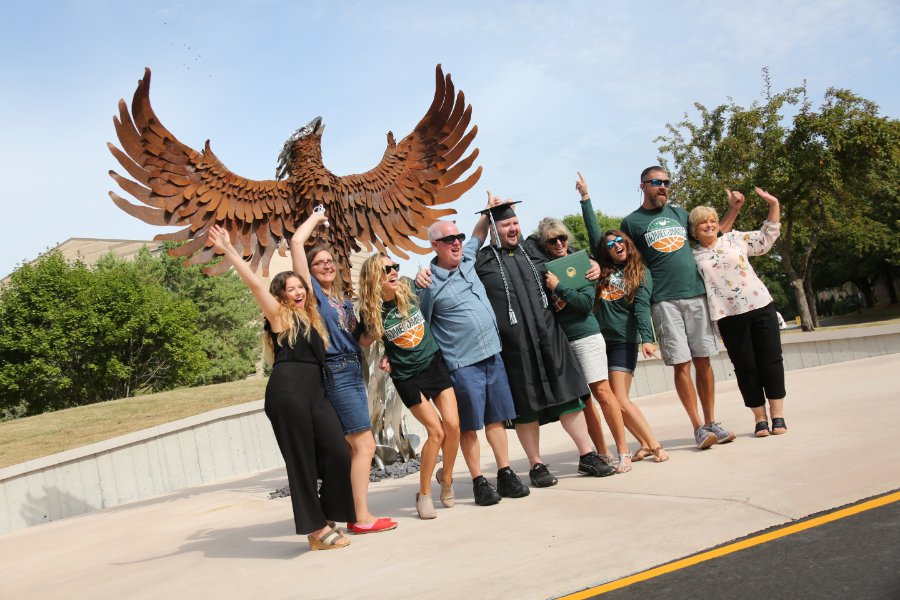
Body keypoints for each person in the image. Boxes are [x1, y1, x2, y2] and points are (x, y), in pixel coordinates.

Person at [207, 223, 355, 551]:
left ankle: (326, 514)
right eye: (290, 288)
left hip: (316, 393)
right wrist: (230, 250)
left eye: (300, 286)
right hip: (288, 394)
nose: (298, 291)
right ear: (282, 295)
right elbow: (254, 284)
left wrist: (315, 220)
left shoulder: (313, 315)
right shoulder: (279, 317)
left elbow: (301, 253)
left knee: (339, 452)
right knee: (300, 461)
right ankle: (316, 531)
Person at [474, 198, 611, 487]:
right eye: (505, 225)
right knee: (527, 407)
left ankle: (587, 455)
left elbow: (567, 254)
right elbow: (460, 261)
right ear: (493, 230)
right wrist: (485, 216)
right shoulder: (483, 259)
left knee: (569, 398)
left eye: (515, 223)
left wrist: (594, 265)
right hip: (516, 348)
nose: (512, 229)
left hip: (550, 337)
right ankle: (536, 465)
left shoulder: (534, 248)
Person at [413, 203, 531, 506]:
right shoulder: (428, 284)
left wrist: (487, 211)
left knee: (497, 420)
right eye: (450, 239)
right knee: (469, 425)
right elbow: (421, 325)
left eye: (459, 237)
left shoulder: (467, 257)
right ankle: (479, 479)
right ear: (435, 245)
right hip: (463, 364)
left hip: (493, 355)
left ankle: (505, 473)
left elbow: (478, 235)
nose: (457, 242)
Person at [620, 166, 743, 449]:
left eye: (666, 182)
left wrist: (733, 209)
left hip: (696, 294)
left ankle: (712, 422)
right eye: (656, 183)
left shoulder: (679, 213)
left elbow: (711, 234)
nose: (663, 187)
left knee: (704, 360)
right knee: (681, 364)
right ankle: (698, 427)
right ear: (643, 186)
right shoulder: (632, 222)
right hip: (663, 301)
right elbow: (626, 260)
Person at [290, 212, 396, 534]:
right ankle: (360, 517)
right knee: (364, 444)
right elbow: (296, 242)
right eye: (319, 262)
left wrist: (376, 316)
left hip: (353, 368)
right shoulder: (315, 298)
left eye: (330, 261)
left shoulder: (342, 302)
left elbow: (362, 340)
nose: (326, 265)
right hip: (336, 371)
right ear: (309, 270)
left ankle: (353, 512)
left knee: (354, 447)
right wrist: (317, 218)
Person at [357, 254, 461, 519]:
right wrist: (387, 353)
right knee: (436, 432)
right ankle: (424, 493)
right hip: (407, 377)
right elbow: (363, 341)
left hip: (433, 363)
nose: (393, 272)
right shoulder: (373, 313)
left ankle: (446, 478)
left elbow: (430, 276)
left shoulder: (408, 286)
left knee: (453, 425)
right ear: (373, 279)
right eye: (386, 269)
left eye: (394, 267)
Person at [577, 173, 668, 462]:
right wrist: (586, 199)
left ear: (628, 244)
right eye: (610, 243)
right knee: (614, 400)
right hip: (598, 341)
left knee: (620, 399)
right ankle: (643, 442)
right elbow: (594, 233)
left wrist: (648, 339)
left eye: (620, 240)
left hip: (622, 341)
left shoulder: (641, 274)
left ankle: (655, 445)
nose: (616, 244)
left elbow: (642, 307)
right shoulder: (601, 269)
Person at [532, 217, 627, 474]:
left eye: (562, 237)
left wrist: (559, 287)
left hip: (586, 336)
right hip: (563, 341)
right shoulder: (544, 266)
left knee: (603, 394)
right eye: (552, 240)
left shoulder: (579, 264)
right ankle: (601, 453)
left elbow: (585, 304)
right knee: (584, 402)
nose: (559, 243)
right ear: (545, 244)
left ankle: (623, 451)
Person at [690, 187, 787, 437]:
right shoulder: (693, 256)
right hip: (728, 317)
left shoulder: (734, 239)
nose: (709, 225)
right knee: (746, 367)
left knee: (771, 361)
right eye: (703, 223)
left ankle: (778, 416)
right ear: (694, 229)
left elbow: (766, 239)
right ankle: (760, 419)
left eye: (712, 220)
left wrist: (773, 204)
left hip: (760, 306)